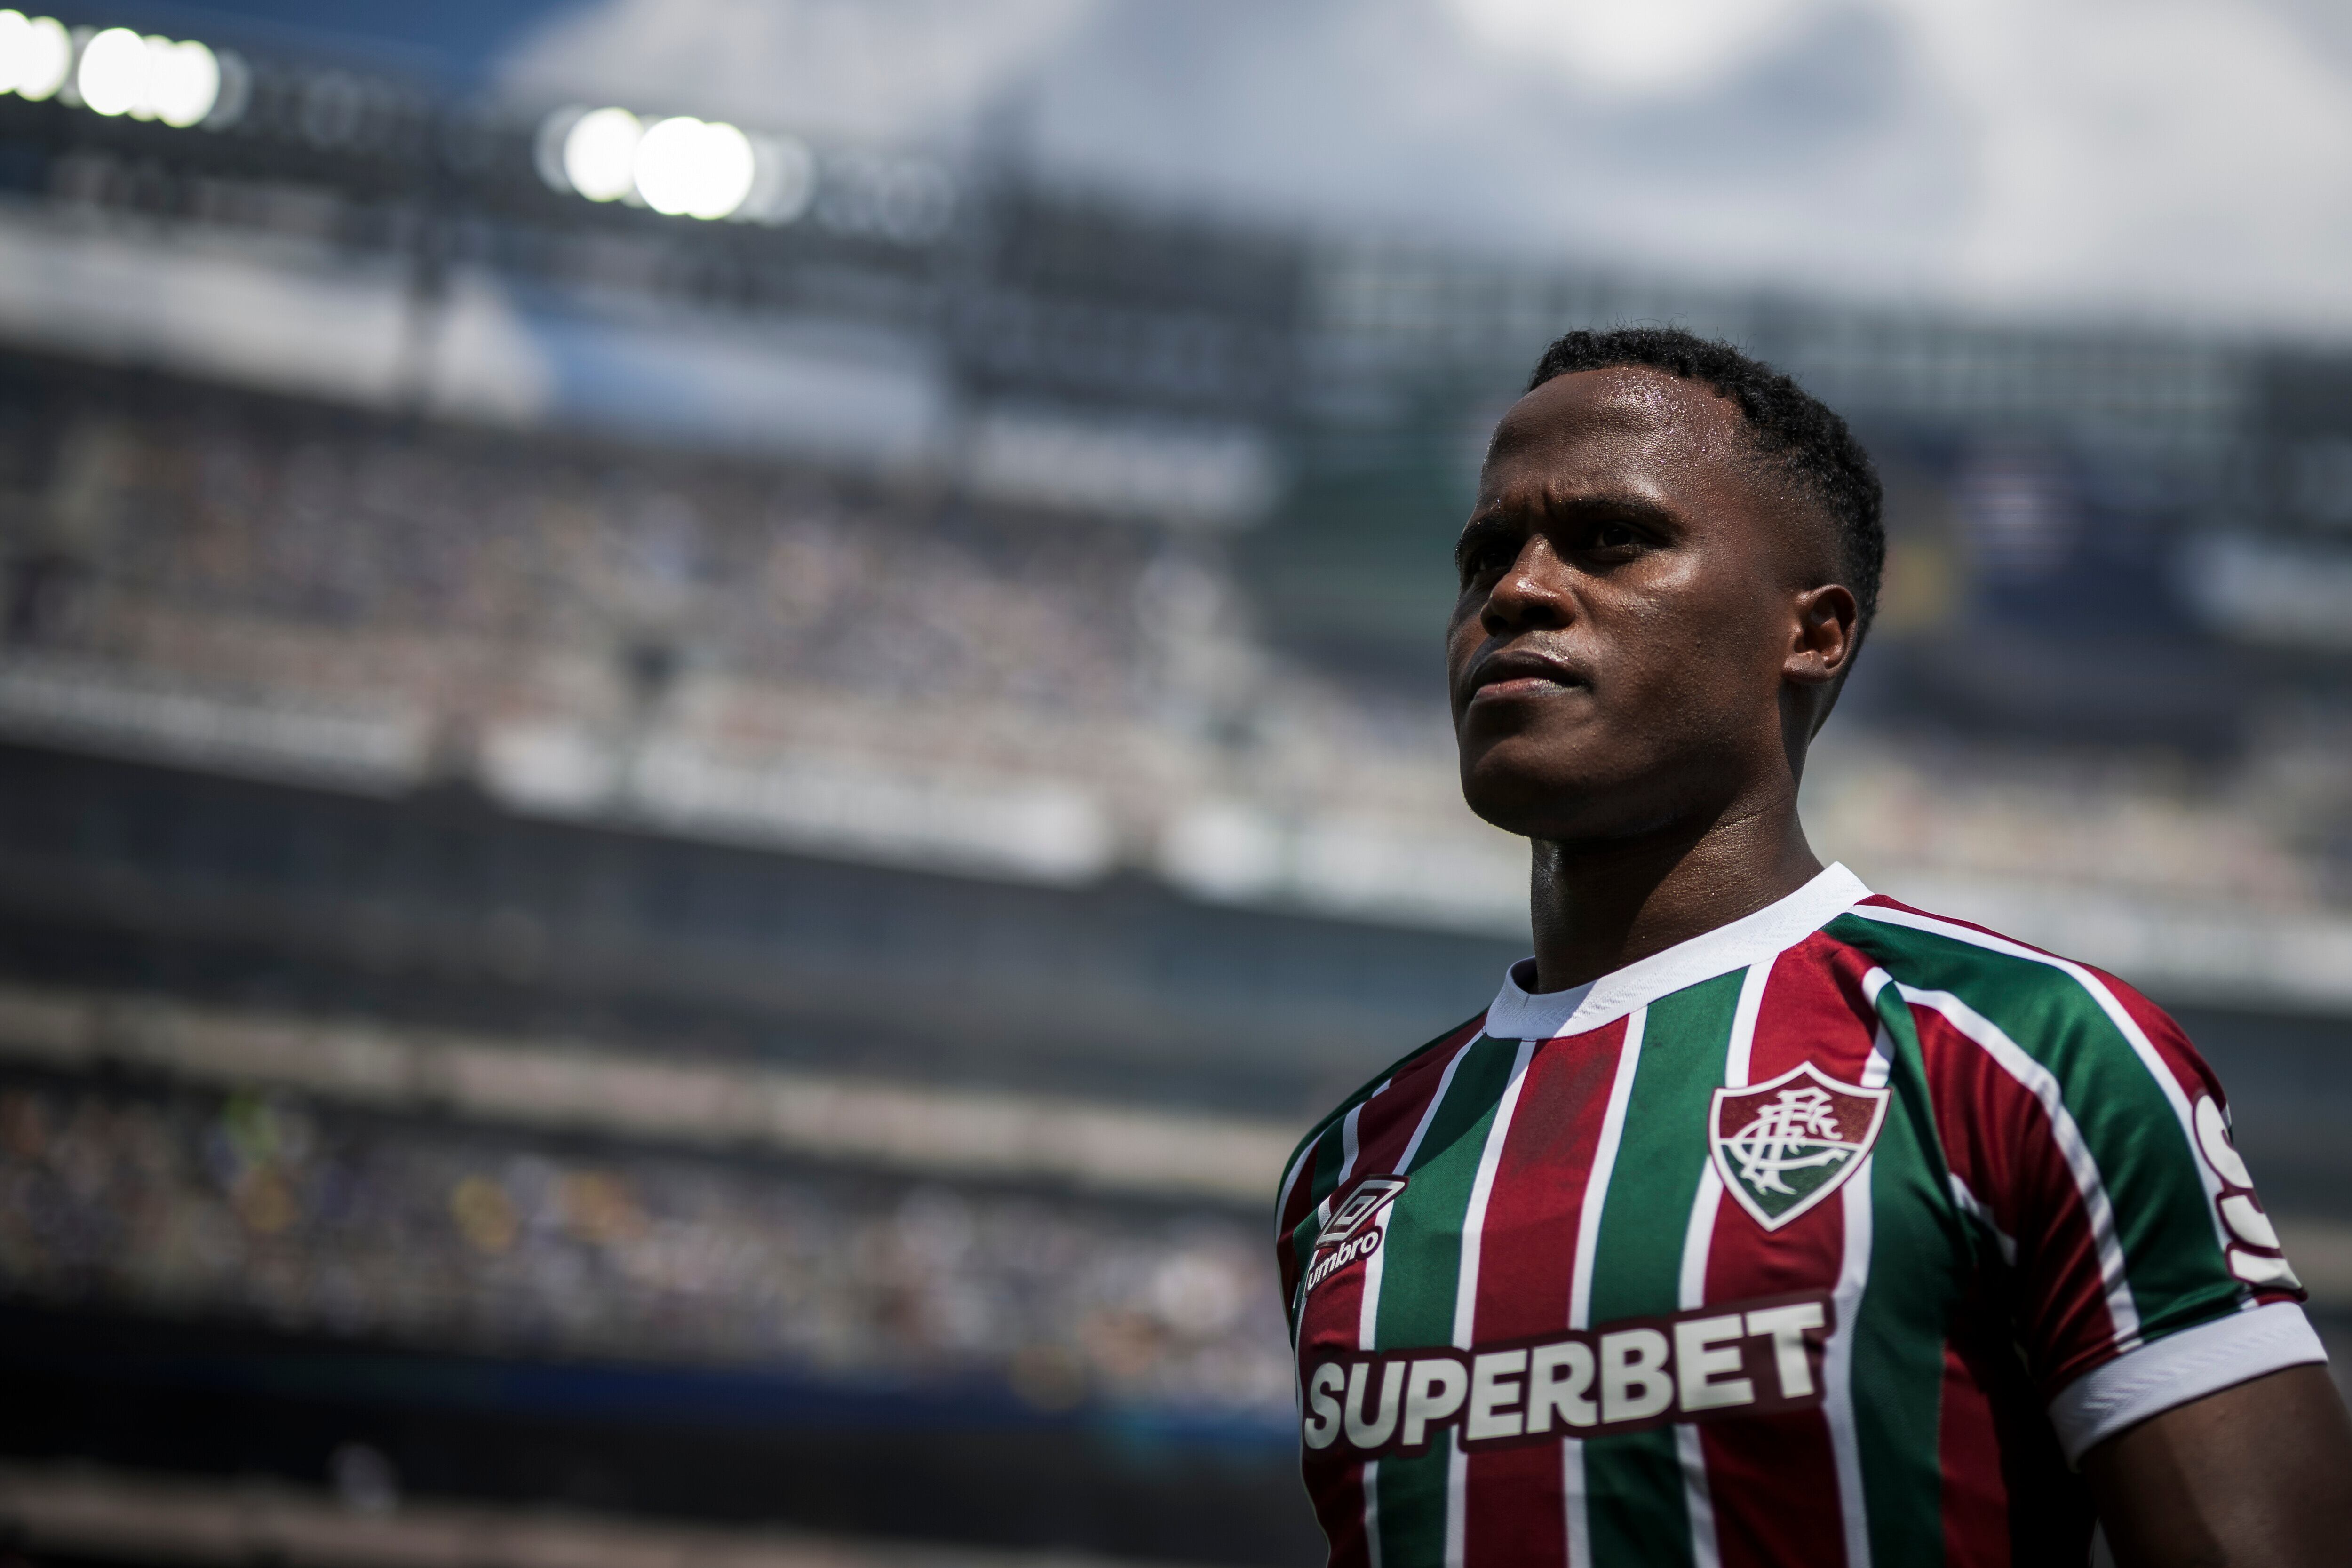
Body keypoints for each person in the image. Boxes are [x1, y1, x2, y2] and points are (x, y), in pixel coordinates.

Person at [1272, 328, 2352, 1568]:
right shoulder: (1351, 1165)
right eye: (1483, 556)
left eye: (1611, 540)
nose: (1514, 590)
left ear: (1815, 633)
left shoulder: (2025, 1056)